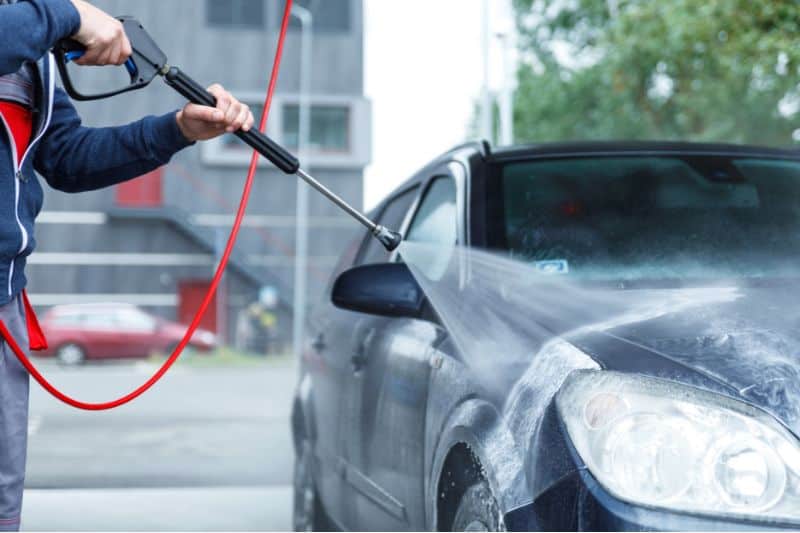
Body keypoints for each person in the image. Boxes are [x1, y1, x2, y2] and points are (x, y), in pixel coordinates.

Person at [0, 0, 256, 529]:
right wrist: (68, 15)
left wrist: (178, 130)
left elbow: (67, 158)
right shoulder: (42, 20)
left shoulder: (33, 43)